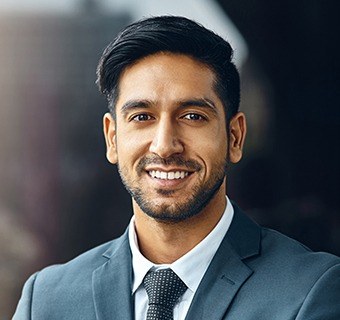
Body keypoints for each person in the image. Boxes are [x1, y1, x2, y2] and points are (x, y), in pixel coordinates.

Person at [13, 16, 340, 320]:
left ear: (235, 137)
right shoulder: (45, 300)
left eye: (193, 116)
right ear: (112, 139)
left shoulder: (310, 292)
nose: (165, 145)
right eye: (142, 117)